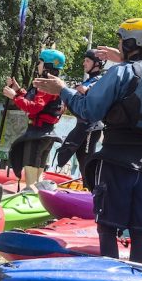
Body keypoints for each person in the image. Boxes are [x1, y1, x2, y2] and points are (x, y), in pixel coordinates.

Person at [33, 18, 142, 264]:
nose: (119, 44)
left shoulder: (120, 72)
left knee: (107, 224)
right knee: (140, 230)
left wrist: (62, 90)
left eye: (121, 40)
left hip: (117, 159)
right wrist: (122, 59)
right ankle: (137, 277)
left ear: (131, 42)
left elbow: (88, 110)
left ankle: (108, 274)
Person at [3, 49, 66, 191]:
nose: (38, 65)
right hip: (46, 134)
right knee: (37, 172)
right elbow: (35, 100)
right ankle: (39, 192)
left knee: (31, 173)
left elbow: (34, 107)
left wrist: (14, 97)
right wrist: (19, 91)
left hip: (38, 134)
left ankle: (32, 193)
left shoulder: (46, 86)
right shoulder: (52, 84)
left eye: (40, 62)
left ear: (47, 66)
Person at [55, 48, 105, 186]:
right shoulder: (88, 81)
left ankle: (92, 192)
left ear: (97, 64)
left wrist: (87, 91)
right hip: (82, 126)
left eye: (87, 61)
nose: (84, 63)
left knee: (86, 159)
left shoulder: (100, 81)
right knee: (77, 155)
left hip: (91, 127)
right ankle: (88, 188)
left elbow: (97, 98)